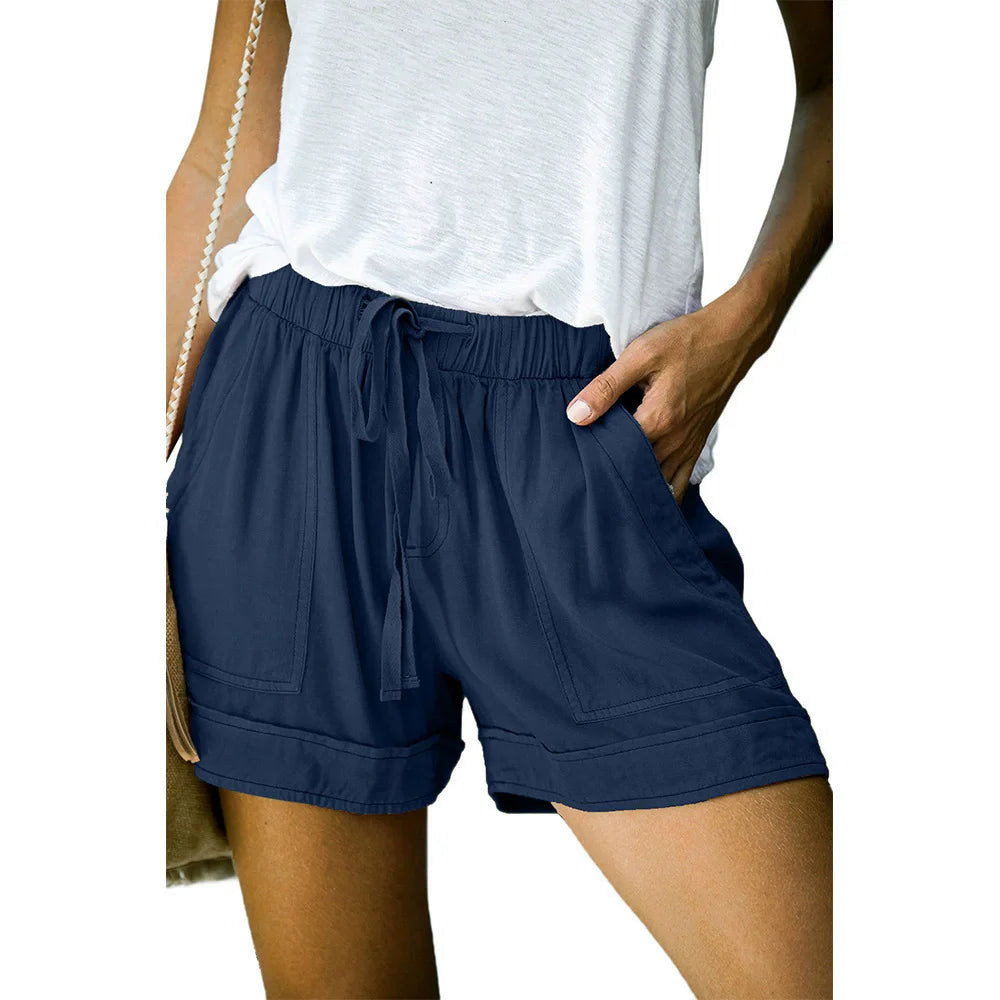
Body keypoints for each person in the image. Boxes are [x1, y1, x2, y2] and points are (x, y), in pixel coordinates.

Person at [166, 1, 833, 996]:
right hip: (293, 422)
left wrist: (745, 324)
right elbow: (224, 149)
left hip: (581, 425)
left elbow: (848, 79)